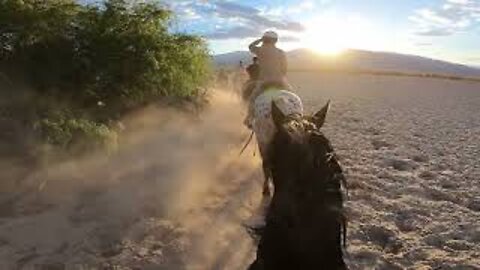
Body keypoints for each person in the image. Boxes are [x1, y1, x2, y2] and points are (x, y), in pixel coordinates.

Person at [244, 31, 291, 127]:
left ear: (264, 39)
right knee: (292, 96)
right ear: (275, 41)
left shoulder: (260, 50)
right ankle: (296, 117)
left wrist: (260, 40)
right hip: (280, 82)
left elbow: (250, 46)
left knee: (253, 99)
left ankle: (249, 118)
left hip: (264, 82)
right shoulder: (281, 52)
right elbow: (285, 69)